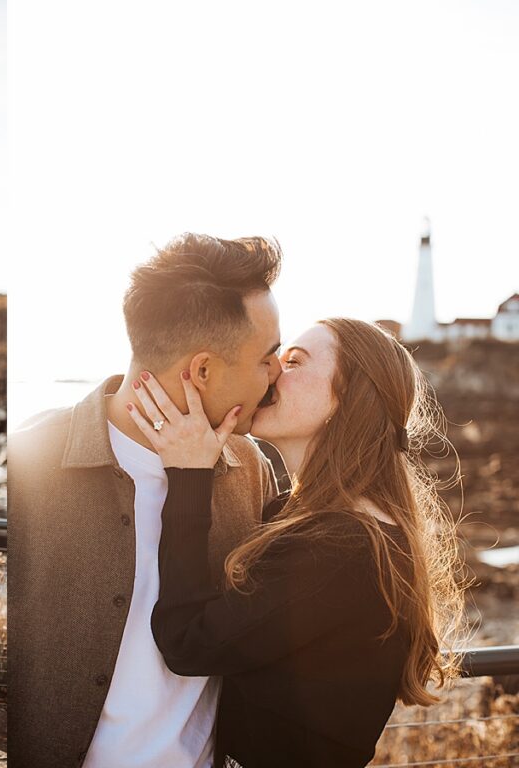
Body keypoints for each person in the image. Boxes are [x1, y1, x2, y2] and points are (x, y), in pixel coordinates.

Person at [136, 318, 466, 767]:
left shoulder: (342, 548)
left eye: (294, 361)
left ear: (348, 399)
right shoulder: (320, 521)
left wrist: (189, 478)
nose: (272, 371)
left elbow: (188, 643)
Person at [8, 234, 283, 768]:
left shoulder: (250, 467)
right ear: (202, 371)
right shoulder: (31, 463)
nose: (276, 375)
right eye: (268, 357)